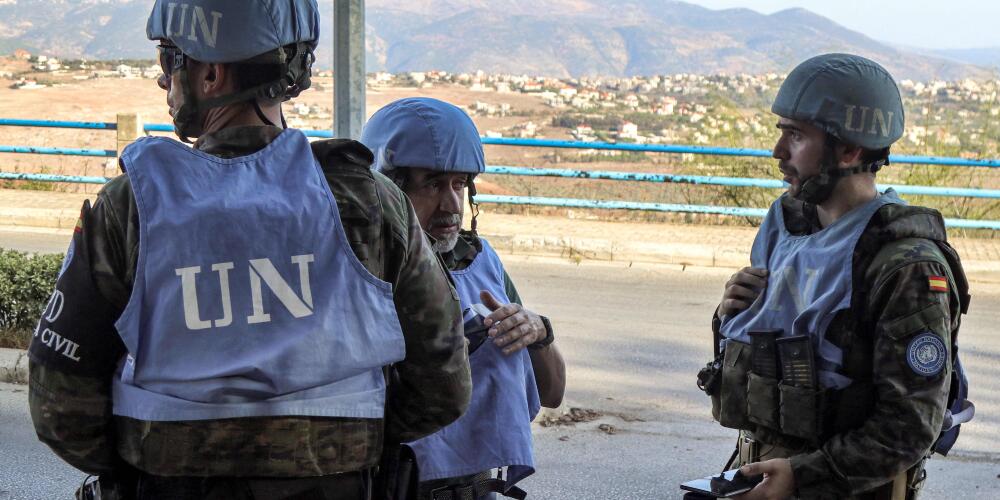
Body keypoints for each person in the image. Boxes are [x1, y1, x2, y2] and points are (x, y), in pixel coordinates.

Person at [27, 1, 472, 498]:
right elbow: (443, 384)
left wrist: (141, 463)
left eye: (169, 60)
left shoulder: (133, 206)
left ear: (211, 74)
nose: (162, 81)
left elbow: (59, 404)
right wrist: (342, 451)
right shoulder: (370, 201)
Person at [697, 53, 972, 500]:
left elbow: (909, 427)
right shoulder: (789, 226)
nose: (778, 152)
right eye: (781, 132)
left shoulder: (904, 264)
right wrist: (731, 315)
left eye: (796, 136)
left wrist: (803, 476)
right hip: (762, 473)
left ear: (850, 150)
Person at [361, 97, 567, 500]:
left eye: (459, 184)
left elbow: (553, 393)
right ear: (388, 189)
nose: (452, 205)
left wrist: (538, 332)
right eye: (433, 184)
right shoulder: (363, 269)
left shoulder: (479, 262)